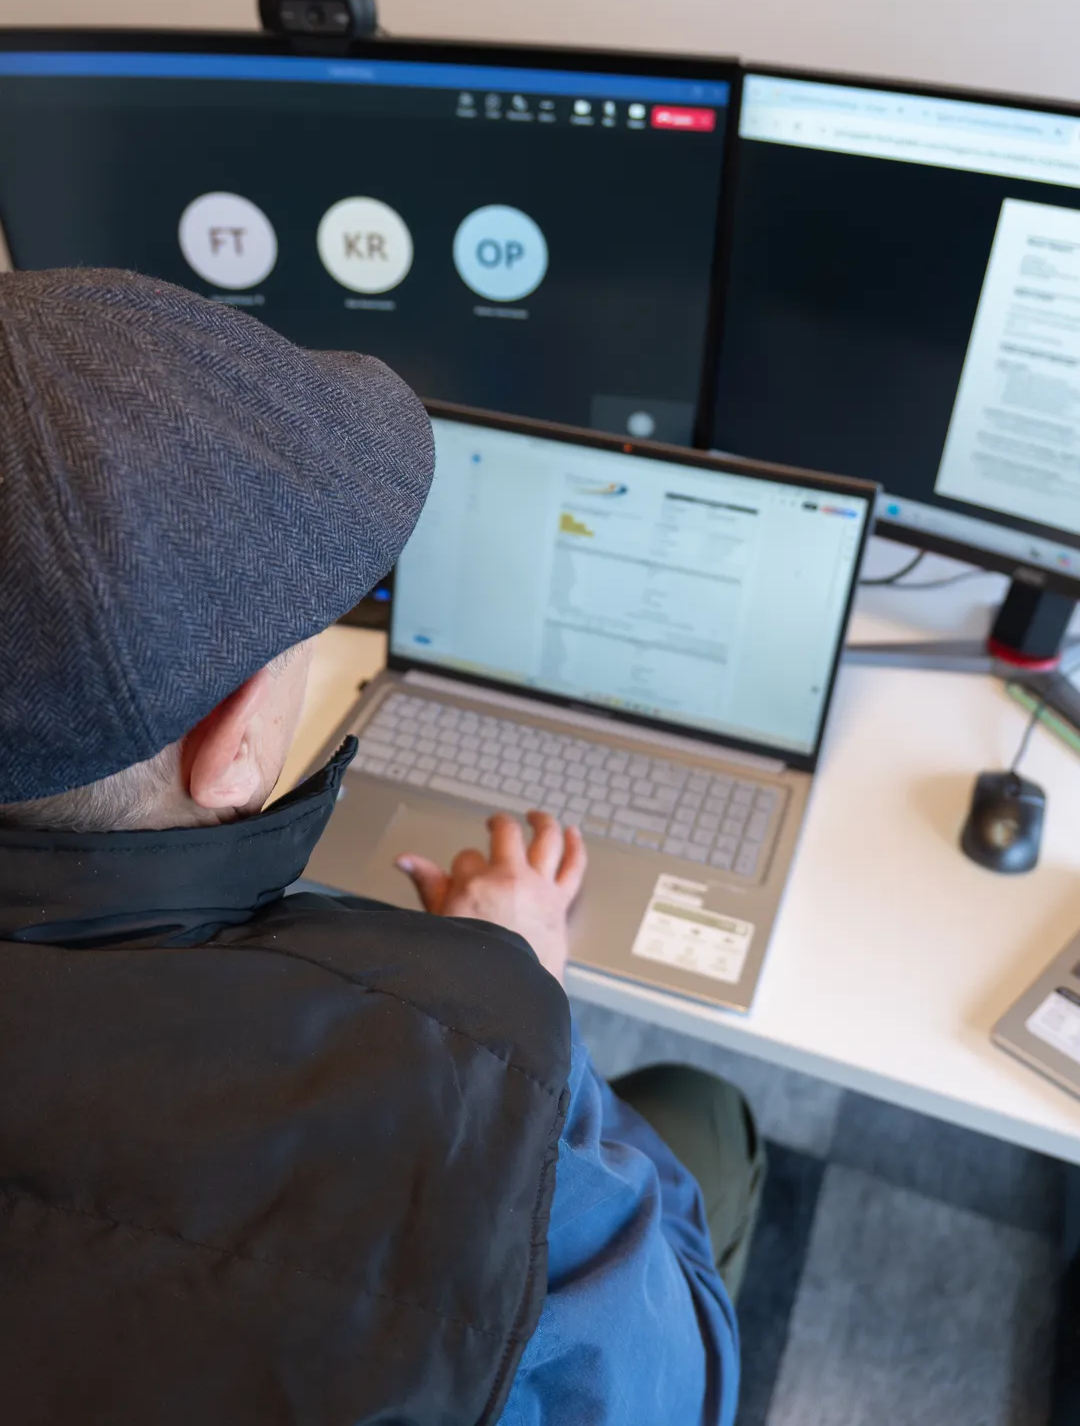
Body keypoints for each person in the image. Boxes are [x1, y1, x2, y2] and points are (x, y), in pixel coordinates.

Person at [0, 268, 764, 1426]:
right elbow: (685, 1386)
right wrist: (521, 1005)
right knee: (705, 1111)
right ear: (233, 742)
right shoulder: (456, 1086)